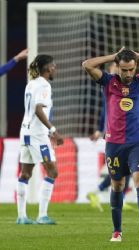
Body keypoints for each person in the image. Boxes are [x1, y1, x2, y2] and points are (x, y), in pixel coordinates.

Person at [82, 48, 139, 242]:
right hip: (114, 144)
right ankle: (117, 231)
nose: (128, 74)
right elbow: (87, 65)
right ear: (118, 67)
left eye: (131, 69)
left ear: (136, 66)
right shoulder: (108, 81)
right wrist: (112, 56)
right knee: (118, 184)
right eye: (124, 70)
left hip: (137, 143)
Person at [16, 54, 64, 225]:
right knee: (53, 171)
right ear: (47, 68)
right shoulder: (44, 85)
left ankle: (21, 216)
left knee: (25, 173)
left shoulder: (31, 84)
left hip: (25, 132)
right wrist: (53, 131)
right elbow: (38, 109)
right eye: (53, 66)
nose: (55, 68)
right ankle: (42, 215)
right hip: (37, 134)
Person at [87, 62, 134, 212]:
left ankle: (115, 197)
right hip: (113, 136)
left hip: (118, 134)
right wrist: (100, 131)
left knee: (123, 169)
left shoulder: (122, 87)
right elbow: (106, 112)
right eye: (116, 67)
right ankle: (97, 192)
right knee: (121, 169)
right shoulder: (109, 85)